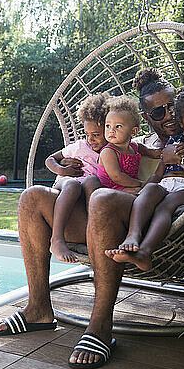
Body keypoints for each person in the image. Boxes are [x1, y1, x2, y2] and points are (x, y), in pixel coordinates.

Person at [0, 67, 184, 369]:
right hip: (99, 218)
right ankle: (38, 309)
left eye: (173, 107)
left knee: (101, 197)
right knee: (31, 198)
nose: (169, 115)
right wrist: (65, 168)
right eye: (158, 112)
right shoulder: (129, 135)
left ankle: (99, 327)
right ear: (144, 120)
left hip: (146, 223)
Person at [105, 85, 184, 271]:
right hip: (166, 183)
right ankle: (133, 236)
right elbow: (159, 171)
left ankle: (144, 252)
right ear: (181, 121)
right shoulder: (175, 141)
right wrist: (146, 186)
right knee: (150, 192)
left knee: (166, 205)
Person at [45, 93, 108, 263]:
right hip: (65, 185)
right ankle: (56, 239)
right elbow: (50, 159)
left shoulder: (112, 153)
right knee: (73, 185)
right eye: (87, 134)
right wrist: (62, 170)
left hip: (86, 193)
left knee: (92, 182)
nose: (90, 139)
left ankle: (92, 236)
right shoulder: (80, 146)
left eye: (96, 134)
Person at [96, 97, 144, 194]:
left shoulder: (133, 147)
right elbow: (116, 177)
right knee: (140, 191)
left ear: (133, 131)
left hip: (126, 186)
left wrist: (157, 153)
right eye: (108, 126)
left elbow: (145, 149)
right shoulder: (108, 152)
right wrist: (141, 183)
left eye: (118, 126)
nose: (111, 130)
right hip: (109, 189)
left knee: (146, 192)